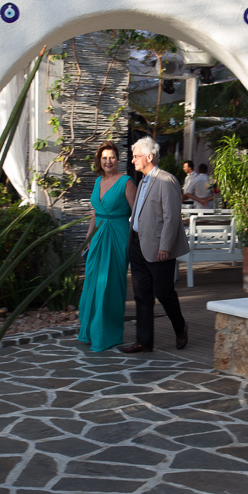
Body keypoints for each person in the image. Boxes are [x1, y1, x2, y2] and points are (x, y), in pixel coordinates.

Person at [121, 136, 190, 353]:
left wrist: (165, 247)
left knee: (164, 292)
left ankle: (180, 326)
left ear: (149, 157)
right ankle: (144, 341)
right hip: (137, 245)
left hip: (159, 248)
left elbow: (172, 217)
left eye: (136, 156)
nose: (133, 160)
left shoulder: (166, 181)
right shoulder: (142, 181)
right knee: (142, 295)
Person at [78, 142, 137, 352]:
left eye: (111, 157)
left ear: (118, 159)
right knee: (93, 283)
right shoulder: (98, 181)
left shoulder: (126, 182)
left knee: (110, 284)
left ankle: (108, 335)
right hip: (97, 237)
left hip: (117, 236)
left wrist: (137, 242)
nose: (108, 161)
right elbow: (95, 212)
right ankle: (90, 331)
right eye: (104, 158)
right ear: (100, 160)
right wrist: (88, 237)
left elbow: (137, 214)